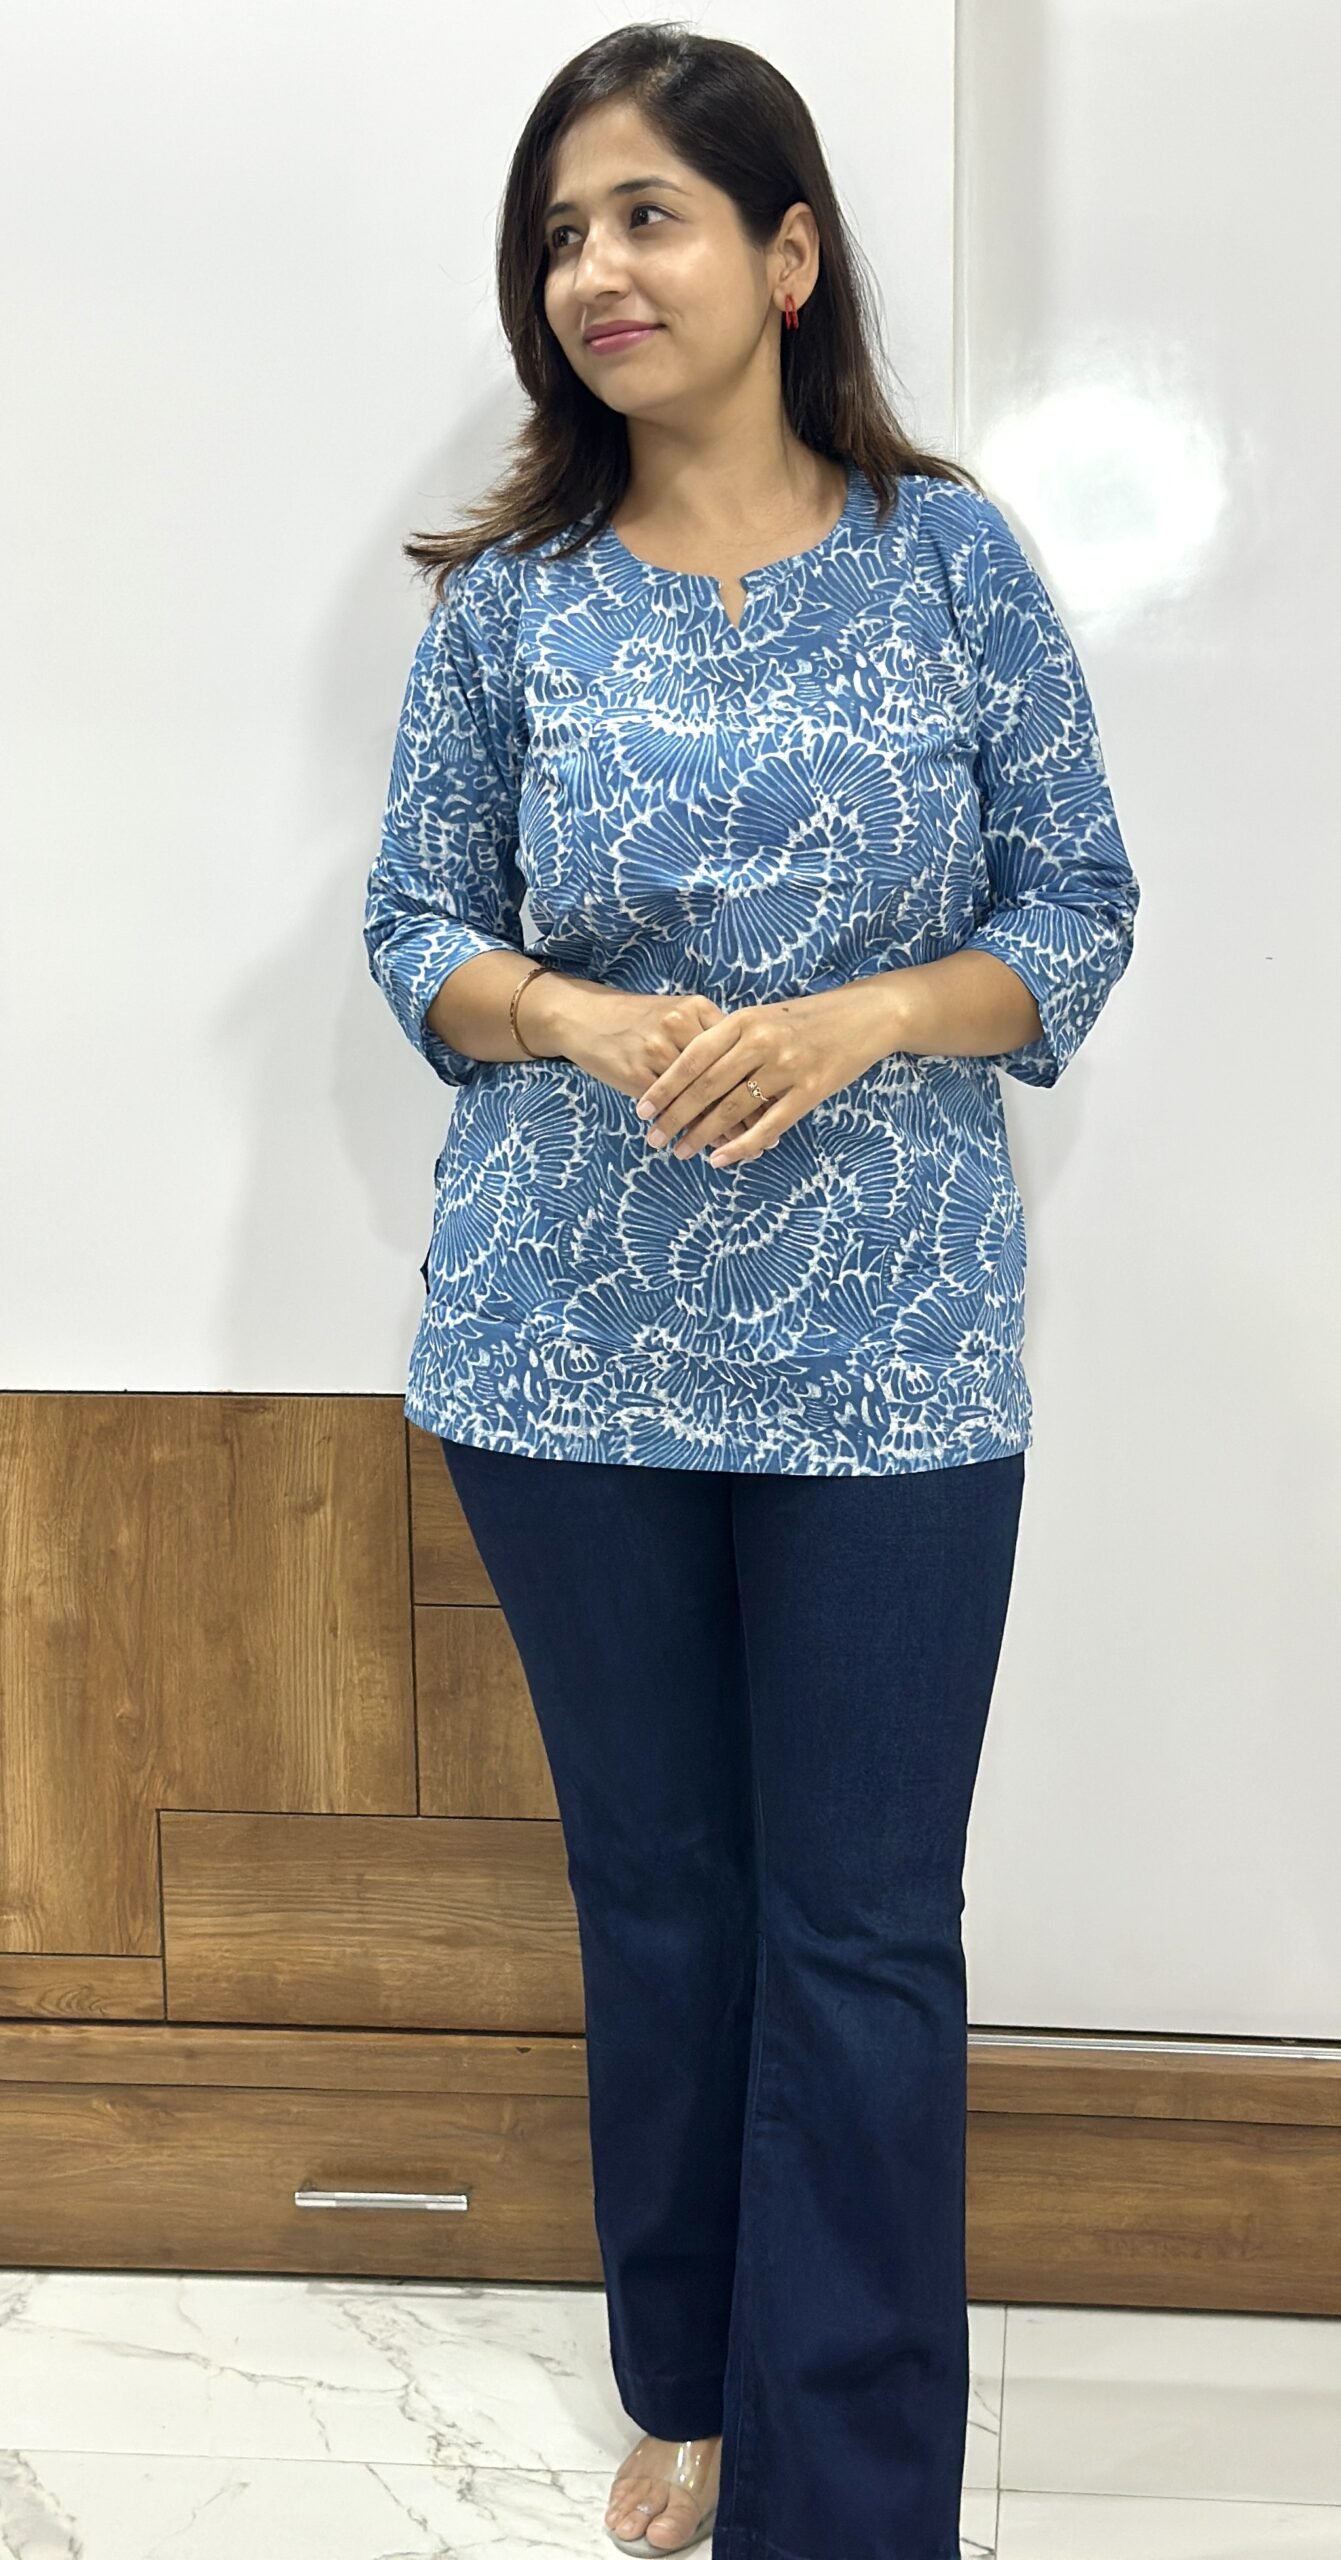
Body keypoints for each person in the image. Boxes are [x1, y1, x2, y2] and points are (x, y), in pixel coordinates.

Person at [364, 26, 1140, 2559]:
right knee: (663, 1894)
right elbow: (413, 931)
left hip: (888, 1355)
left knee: (863, 1929)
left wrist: (863, 1017)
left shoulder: (948, 559)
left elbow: (1076, 909)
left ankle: (850, 2499)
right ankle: (689, 2381)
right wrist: (570, 1014)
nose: (594, 270)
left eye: (647, 216)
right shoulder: (508, 608)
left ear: (786, 254)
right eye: (558, 235)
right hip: (558, 1351)